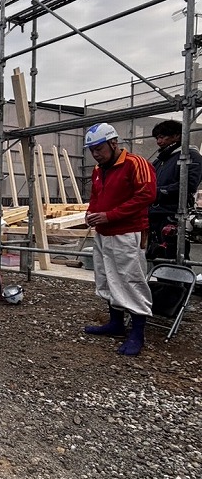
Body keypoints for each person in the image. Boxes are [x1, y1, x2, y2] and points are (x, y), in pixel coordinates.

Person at [83, 122, 157, 357]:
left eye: (99, 149)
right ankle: (116, 322)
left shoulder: (135, 163)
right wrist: (91, 213)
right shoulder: (98, 170)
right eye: (92, 150)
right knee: (106, 276)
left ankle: (137, 332)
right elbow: (96, 196)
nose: (96, 154)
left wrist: (110, 215)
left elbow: (147, 195)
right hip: (104, 232)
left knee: (130, 278)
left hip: (127, 231)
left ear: (113, 143)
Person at [148, 120, 202, 261]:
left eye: (162, 137)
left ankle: (179, 276)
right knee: (156, 254)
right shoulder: (160, 160)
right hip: (155, 214)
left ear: (177, 136)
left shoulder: (191, 156)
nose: (159, 141)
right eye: (157, 138)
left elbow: (189, 185)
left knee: (174, 256)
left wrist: (158, 191)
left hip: (174, 214)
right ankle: (161, 276)